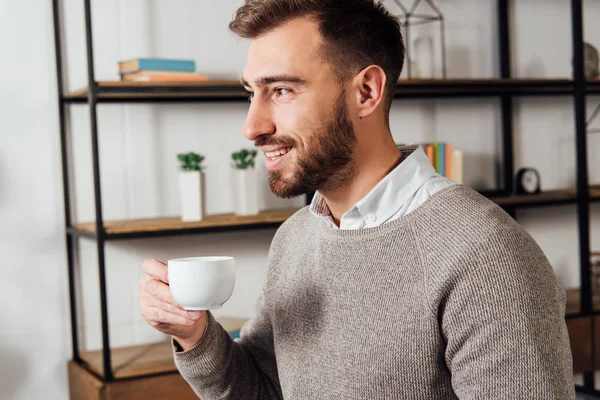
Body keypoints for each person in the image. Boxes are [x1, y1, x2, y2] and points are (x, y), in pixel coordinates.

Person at [139, 0, 575, 398]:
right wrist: (195, 336)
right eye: (252, 93)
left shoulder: (487, 256)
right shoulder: (297, 237)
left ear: (366, 92)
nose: (252, 127)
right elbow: (265, 390)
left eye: (282, 90)